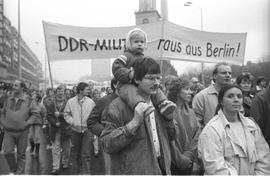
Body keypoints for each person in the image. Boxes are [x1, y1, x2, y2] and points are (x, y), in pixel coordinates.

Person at [101, 56, 175, 175]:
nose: (156, 83)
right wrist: (133, 124)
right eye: (150, 78)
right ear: (137, 80)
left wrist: (169, 119)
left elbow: (171, 137)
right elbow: (107, 145)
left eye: (158, 78)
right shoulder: (117, 107)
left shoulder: (160, 105)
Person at [198, 84, 270, 175]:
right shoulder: (212, 130)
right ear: (221, 101)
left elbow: (264, 160)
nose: (236, 99)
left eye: (239, 96)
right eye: (230, 96)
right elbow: (216, 169)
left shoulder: (252, 126)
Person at [112, 28, 176, 123]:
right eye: (136, 41)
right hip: (126, 84)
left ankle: (163, 103)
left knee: (155, 88)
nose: (139, 44)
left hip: (141, 84)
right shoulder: (125, 56)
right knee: (131, 91)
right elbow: (116, 68)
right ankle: (140, 106)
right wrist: (130, 74)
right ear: (129, 43)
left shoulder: (144, 58)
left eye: (142, 42)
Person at [0, 80, 36, 174]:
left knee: (21, 155)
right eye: (13, 85)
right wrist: (3, 122)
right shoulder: (7, 99)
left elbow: (35, 114)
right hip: (8, 131)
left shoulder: (29, 100)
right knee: (7, 152)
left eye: (16, 85)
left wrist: (27, 123)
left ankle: (19, 173)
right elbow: (2, 112)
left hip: (22, 132)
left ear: (22, 88)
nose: (13, 87)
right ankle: (13, 169)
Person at [167, 77, 201, 175]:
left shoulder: (191, 113)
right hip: (171, 162)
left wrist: (189, 154)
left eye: (191, 89)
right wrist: (179, 158)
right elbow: (167, 138)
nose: (190, 92)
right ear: (177, 92)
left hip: (188, 161)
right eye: (186, 89)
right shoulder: (167, 112)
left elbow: (197, 136)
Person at [87, 77, 118, 175]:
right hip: (110, 143)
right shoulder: (104, 101)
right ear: (115, 85)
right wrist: (105, 132)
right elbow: (91, 122)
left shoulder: (131, 99)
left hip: (129, 142)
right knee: (111, 171)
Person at [64, 82, 96, 174]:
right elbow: (66, 114)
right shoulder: (70, 102)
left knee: (86, 154)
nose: (89, 90)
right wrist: (73, 122)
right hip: (75, 131)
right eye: (87, 89)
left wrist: (91, 127)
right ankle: (76, 173)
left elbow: (94, 116)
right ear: (81, 90)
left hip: (87, 131)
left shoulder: (91, 102)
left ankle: (86, 174)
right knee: (75, 154)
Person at [192, 62, 232, 129]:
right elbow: (196, 124)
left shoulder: (235, 96)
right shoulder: (201, 96)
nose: (228, 75)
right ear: (215, 76)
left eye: (230, 73)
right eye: (224, 73)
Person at [44, 85, 71, 174]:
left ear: (64, 92)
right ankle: (55, 167)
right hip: (55, 129)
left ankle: (65, 162)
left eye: (62, 91)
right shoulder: (51, 103)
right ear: (56, 92)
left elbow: (71, 114)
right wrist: (55, 123)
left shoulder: (69, 103)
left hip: (66, 128)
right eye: (58, 91)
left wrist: (60, 114)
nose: (60, 93)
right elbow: (49, 115)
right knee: (55, 148)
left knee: (66, 148)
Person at [28, 92, 46, 157]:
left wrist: (44, 123)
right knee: (30, 137)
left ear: (37, 98)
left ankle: (37, 151)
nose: (33, 97)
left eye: (34, 97)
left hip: (38, 123)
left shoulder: (41, 105)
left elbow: (44, 114)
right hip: (31, 123)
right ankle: (32, 147)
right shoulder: (30, 104)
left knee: (37, 137)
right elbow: (27, 113)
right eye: (33, 96)